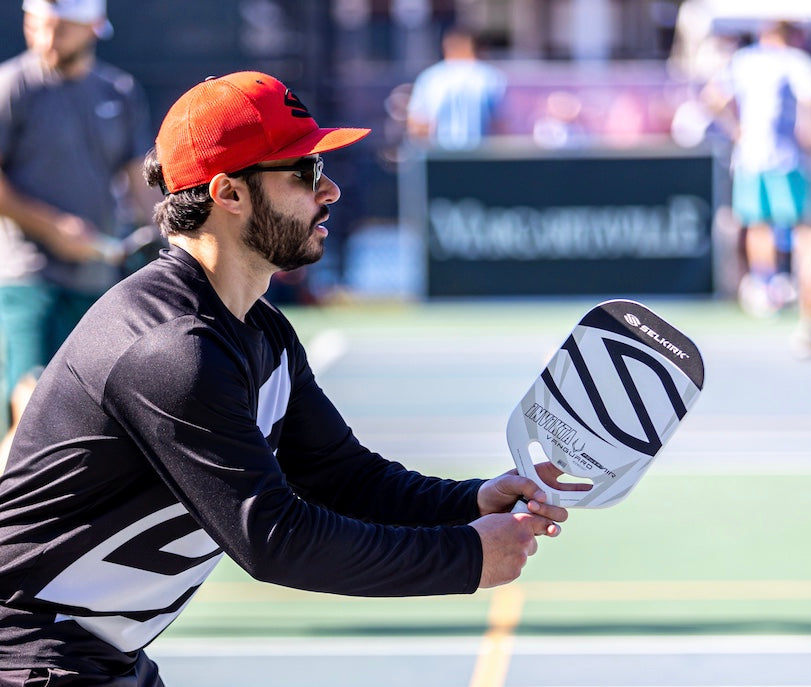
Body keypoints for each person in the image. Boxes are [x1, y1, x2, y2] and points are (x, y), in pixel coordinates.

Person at [0, 71, 583, 685]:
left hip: (92, 657)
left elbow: (342, 477)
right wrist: (466, 557)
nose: (329, 189)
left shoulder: (260, 329)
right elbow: (275, 539)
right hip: (30, 657)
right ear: (229, 193)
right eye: (305, 173)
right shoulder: (171, 351)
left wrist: (469, 501)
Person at [0, 0, 159, 436]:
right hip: (29, 281)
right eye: (37, 27)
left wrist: (165, 241)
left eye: (60, 29)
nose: (46, 41)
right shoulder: (12, 85)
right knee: (30, 413)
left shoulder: (118, 91)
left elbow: (136, 178)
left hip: (97, 283)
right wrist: (52, 228)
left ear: (93, 27)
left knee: (90, 423)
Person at [701, 21, 811, 355]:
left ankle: (766, 284)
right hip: (789, 161)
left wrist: (736, 129)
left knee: (760, 224)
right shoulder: (797, 61)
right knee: (807, 232)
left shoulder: (744, 61)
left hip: (752, 159)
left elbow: (712, 97)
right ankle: (806, 316)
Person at [406, 25, 506, 150]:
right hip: (480, 156)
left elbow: (417, 125)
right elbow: (500, 125)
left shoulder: (431, 77)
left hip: (440, 156)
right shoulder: (489, 76)